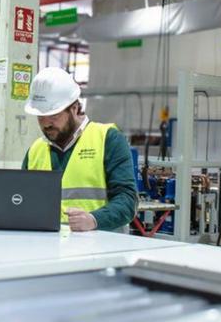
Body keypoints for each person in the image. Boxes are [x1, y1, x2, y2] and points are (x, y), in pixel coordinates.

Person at [22, 67, 137, 232]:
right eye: (41, 117)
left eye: (54, 115)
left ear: (74, 108)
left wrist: (94, 219)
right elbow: (22, 202)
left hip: (100, 248)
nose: (46, 124)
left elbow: (127, 201)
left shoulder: (108, 139)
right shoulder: (35, 150)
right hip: (48, 249)